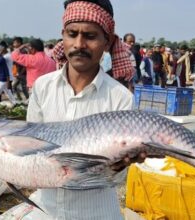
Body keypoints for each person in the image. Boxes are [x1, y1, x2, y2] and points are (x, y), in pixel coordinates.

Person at [26, 0, 143, 219]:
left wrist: (119, 165)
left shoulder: (120, 99)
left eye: (90, 36)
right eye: (72, 34)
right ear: (63, 35)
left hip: (95, 213)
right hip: (47, 210)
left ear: (107, 42)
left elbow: (117, 177)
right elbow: (31, 148)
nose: (79, 44)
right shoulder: (43, 86)